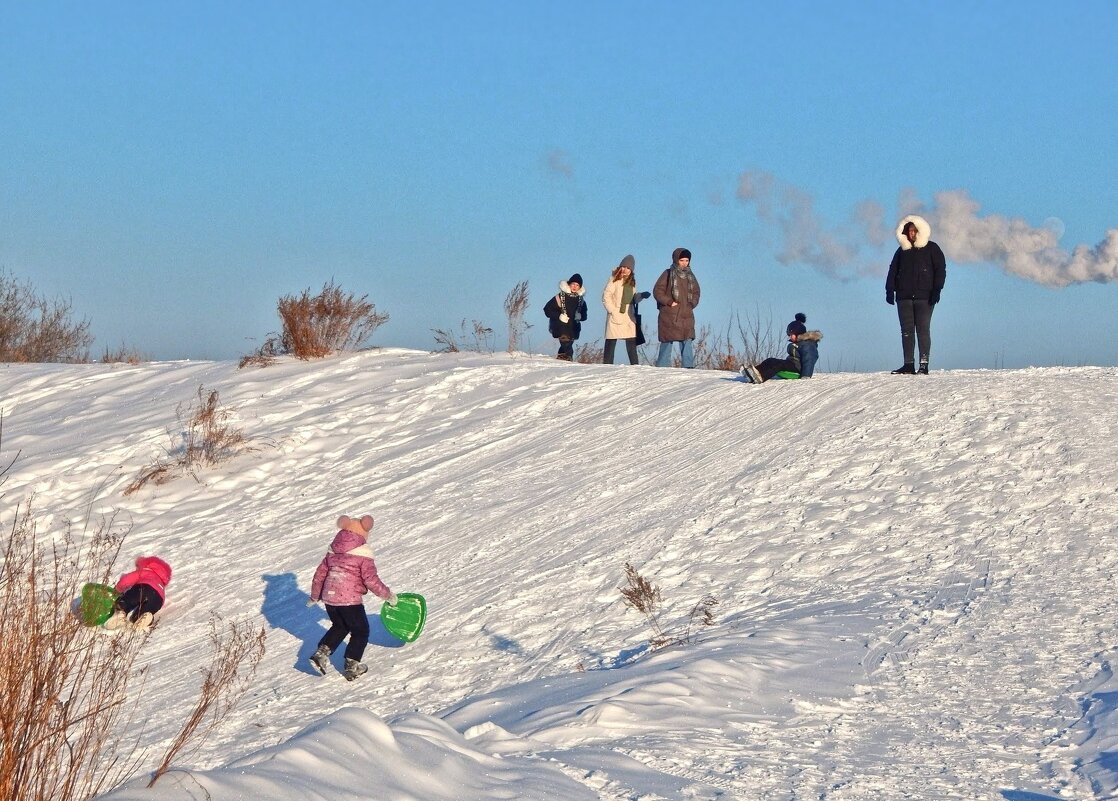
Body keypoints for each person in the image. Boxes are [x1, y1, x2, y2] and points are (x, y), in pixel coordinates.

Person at [307, 514, 397, 681]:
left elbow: (319, 575)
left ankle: (321, 654)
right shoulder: (362, 555)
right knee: (361, 631)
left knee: (340, 626)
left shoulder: (332, 552)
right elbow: (371, 580)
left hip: (330, 599)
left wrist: (314, 596)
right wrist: (388, 595)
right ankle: (352, 666)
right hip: (349, 601)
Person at [885, 215, 946, 375]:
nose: (911, 234)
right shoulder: (901, 251)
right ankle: (908, 364)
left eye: (914, 230)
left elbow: (941, 270)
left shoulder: (932, 248)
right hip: (903, 297)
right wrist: (889, 290)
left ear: (920, 231)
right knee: (906, 331)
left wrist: (937, 290)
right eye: (909, 231)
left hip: (925, 297)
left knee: (923, 330)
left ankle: (924, 364)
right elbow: (892, 270)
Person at [740, 312, 824, 384]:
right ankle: (754, 372)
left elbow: (809, 359)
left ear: (798, 333)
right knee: (771, 360)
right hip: (792, 365)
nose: (790, 337)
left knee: (778, 364)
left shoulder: (807, 344)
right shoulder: (799, 343)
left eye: (791, 334)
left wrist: (806, 375)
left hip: (798, 369)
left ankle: (761, 377)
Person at [653, 248, 701, 368]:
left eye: (687, 260)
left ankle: (688, 366)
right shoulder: (668, 273)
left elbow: (696, 291)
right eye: (682, 260)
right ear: (676, 260)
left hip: (686, 314)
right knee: (667, 340)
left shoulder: (691, 276)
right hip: (669, 314)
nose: (685, 263)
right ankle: (662, 366)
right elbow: (657, 291)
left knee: (687, 339)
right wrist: (669, 302)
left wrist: (692, 303)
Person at [601, 255, 650, 365]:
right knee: (611, 341)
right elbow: (606, 297)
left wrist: (641, 295)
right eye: (623, 267)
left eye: (628, 268)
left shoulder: (632, 282)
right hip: (616, 313)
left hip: (628, 315)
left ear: (631, 270)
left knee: (631, 340)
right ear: (620, 267)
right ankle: (607, 365)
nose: (625, 270)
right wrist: (612, 311)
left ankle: (635, 365)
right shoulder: (614, 280)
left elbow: (632, 299)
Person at [104, 555, 172, 631]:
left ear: (146, 565)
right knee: (144, 612)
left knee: (128, 599)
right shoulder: (161, 584)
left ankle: (120, 613)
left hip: (144, 588)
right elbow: (162, 602)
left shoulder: (146, 572)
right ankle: (144, 616)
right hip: (158, 600)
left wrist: (118, 588)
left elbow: (127, 579)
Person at [543, 274, 588, 361]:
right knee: (566, 342)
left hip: (573, 328)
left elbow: (585, 316)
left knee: (567, 344)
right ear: (569, 284)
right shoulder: (559, 297)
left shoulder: (581, 301)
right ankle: (569, 358)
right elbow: (547, 310)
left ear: (580, 287)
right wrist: (559, 316)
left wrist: (580, 316)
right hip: (560, 327)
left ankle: (561, 359)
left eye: (577, 285)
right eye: (573, 284)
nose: (575, 287)